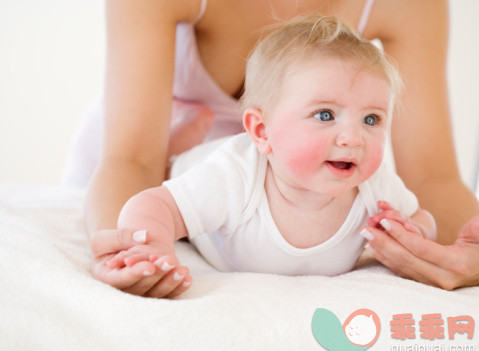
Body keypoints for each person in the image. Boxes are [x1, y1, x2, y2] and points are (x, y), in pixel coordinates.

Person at [77, 0, 479, 294]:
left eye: (371, 119)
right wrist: (136, 252)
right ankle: (180, 149)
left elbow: (433, 182)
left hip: (295, 168)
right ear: (260, 128)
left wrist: (433, 236)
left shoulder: (375, 189)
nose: (354, 136)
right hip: (148, 153)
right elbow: (133, 166)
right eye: (325, 114)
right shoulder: (231, 173)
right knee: (179, 180)